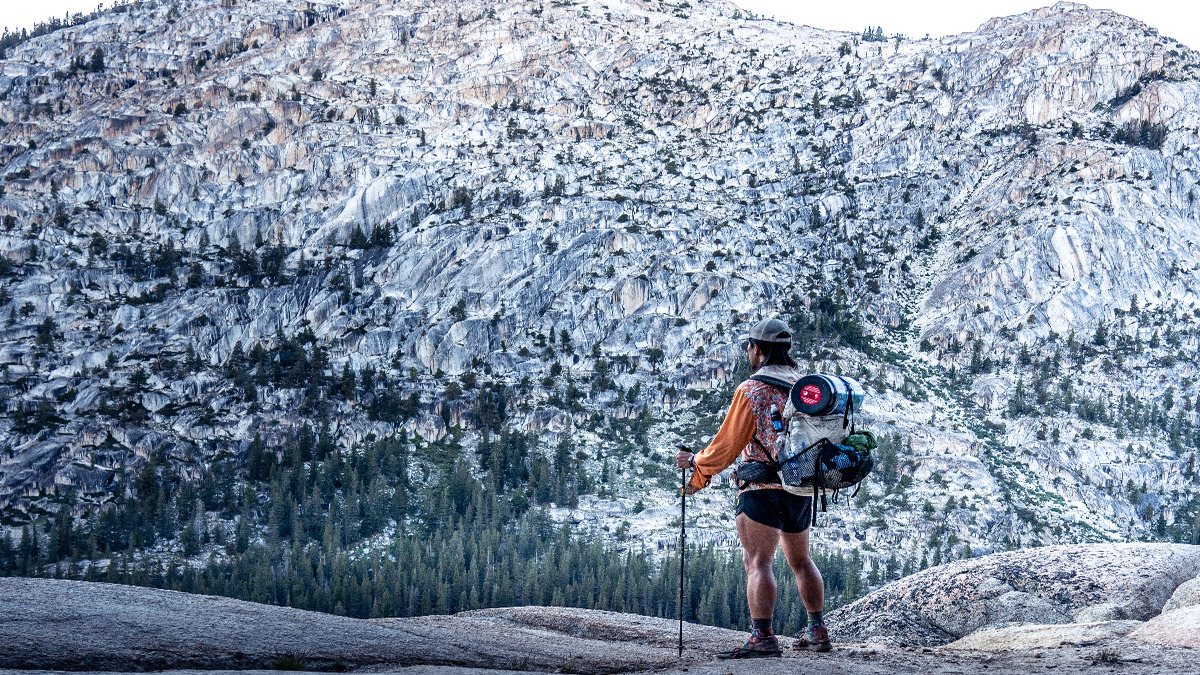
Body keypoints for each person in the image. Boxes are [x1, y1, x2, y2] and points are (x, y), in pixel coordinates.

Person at [674, 318, 831, 657]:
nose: (748, 352)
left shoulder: (752, 389)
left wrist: (696, 465)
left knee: (758, 561)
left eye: (749, 346)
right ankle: (818, 630)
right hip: (801, 486)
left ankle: (762, 637)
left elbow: (727, 446)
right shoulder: (805, 387)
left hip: (761, 486)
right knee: (801, 560)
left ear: (758, 349)